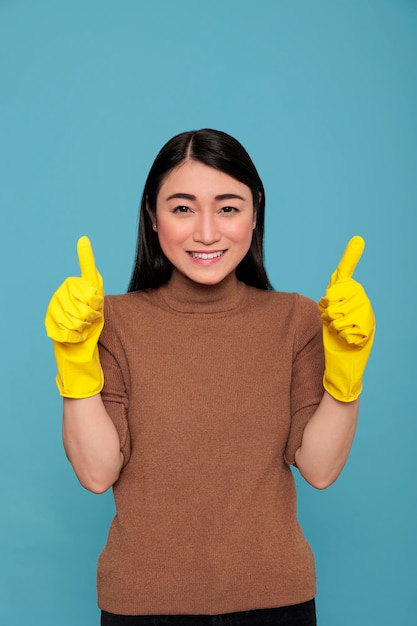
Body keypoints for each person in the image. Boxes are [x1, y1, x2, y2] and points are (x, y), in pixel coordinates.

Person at [45, 129, 375, 626]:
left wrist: (347, 367)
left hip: (277, 603)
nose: (206, 232)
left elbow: (321, 470)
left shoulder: (299, 320)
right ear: (152, 216)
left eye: (228, 207)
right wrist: (75, 358)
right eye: (182, 209)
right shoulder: (106, 322)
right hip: (143, 606)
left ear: (255, 211)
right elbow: (96, 474)